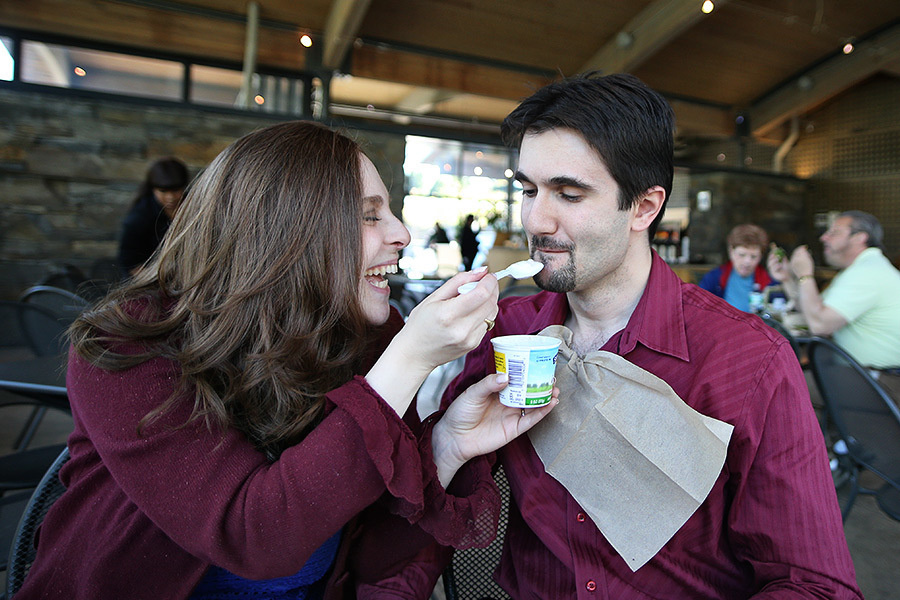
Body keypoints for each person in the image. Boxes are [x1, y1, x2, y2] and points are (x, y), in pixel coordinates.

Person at [15, 121, 558, 600]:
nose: (402, 234)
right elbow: (255, 536)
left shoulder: (366, 337)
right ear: (284, 234)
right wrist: (410, 359)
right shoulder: (131, 344)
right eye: (369, 216)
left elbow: (378, 558)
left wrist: (445, 448)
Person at [374, 72, 861, 598]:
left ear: (645, 208)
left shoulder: (748, 361)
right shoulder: (506, 333)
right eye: (528, 190)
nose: (536, 219)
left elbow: (813, 584)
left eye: (569, 193)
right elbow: (422, 524)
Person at [767, 210, 900, 395]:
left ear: (859, 238)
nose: (824, 238)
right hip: (863, 375)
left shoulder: (867, 273)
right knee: (781, 383)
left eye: (834, 232)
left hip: (882, 383)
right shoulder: (861, 268)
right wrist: (788, 279)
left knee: (777, 389)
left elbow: (820, 325)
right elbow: (813, 311)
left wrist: (806, 275)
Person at [117, 157, 190, 277]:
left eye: (176, 190)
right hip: (150, 280)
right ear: (153, 189)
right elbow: (130, 263)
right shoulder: (139, 216)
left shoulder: (194, 207)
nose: (170, 197)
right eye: (163, 191)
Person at [698, 223, 779, 312]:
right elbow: (698, 308)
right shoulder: (713, 278)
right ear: (730, 251)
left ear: (761, 257)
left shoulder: (769, 282)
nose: (747, 262)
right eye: (742, 255)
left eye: (753, 256)